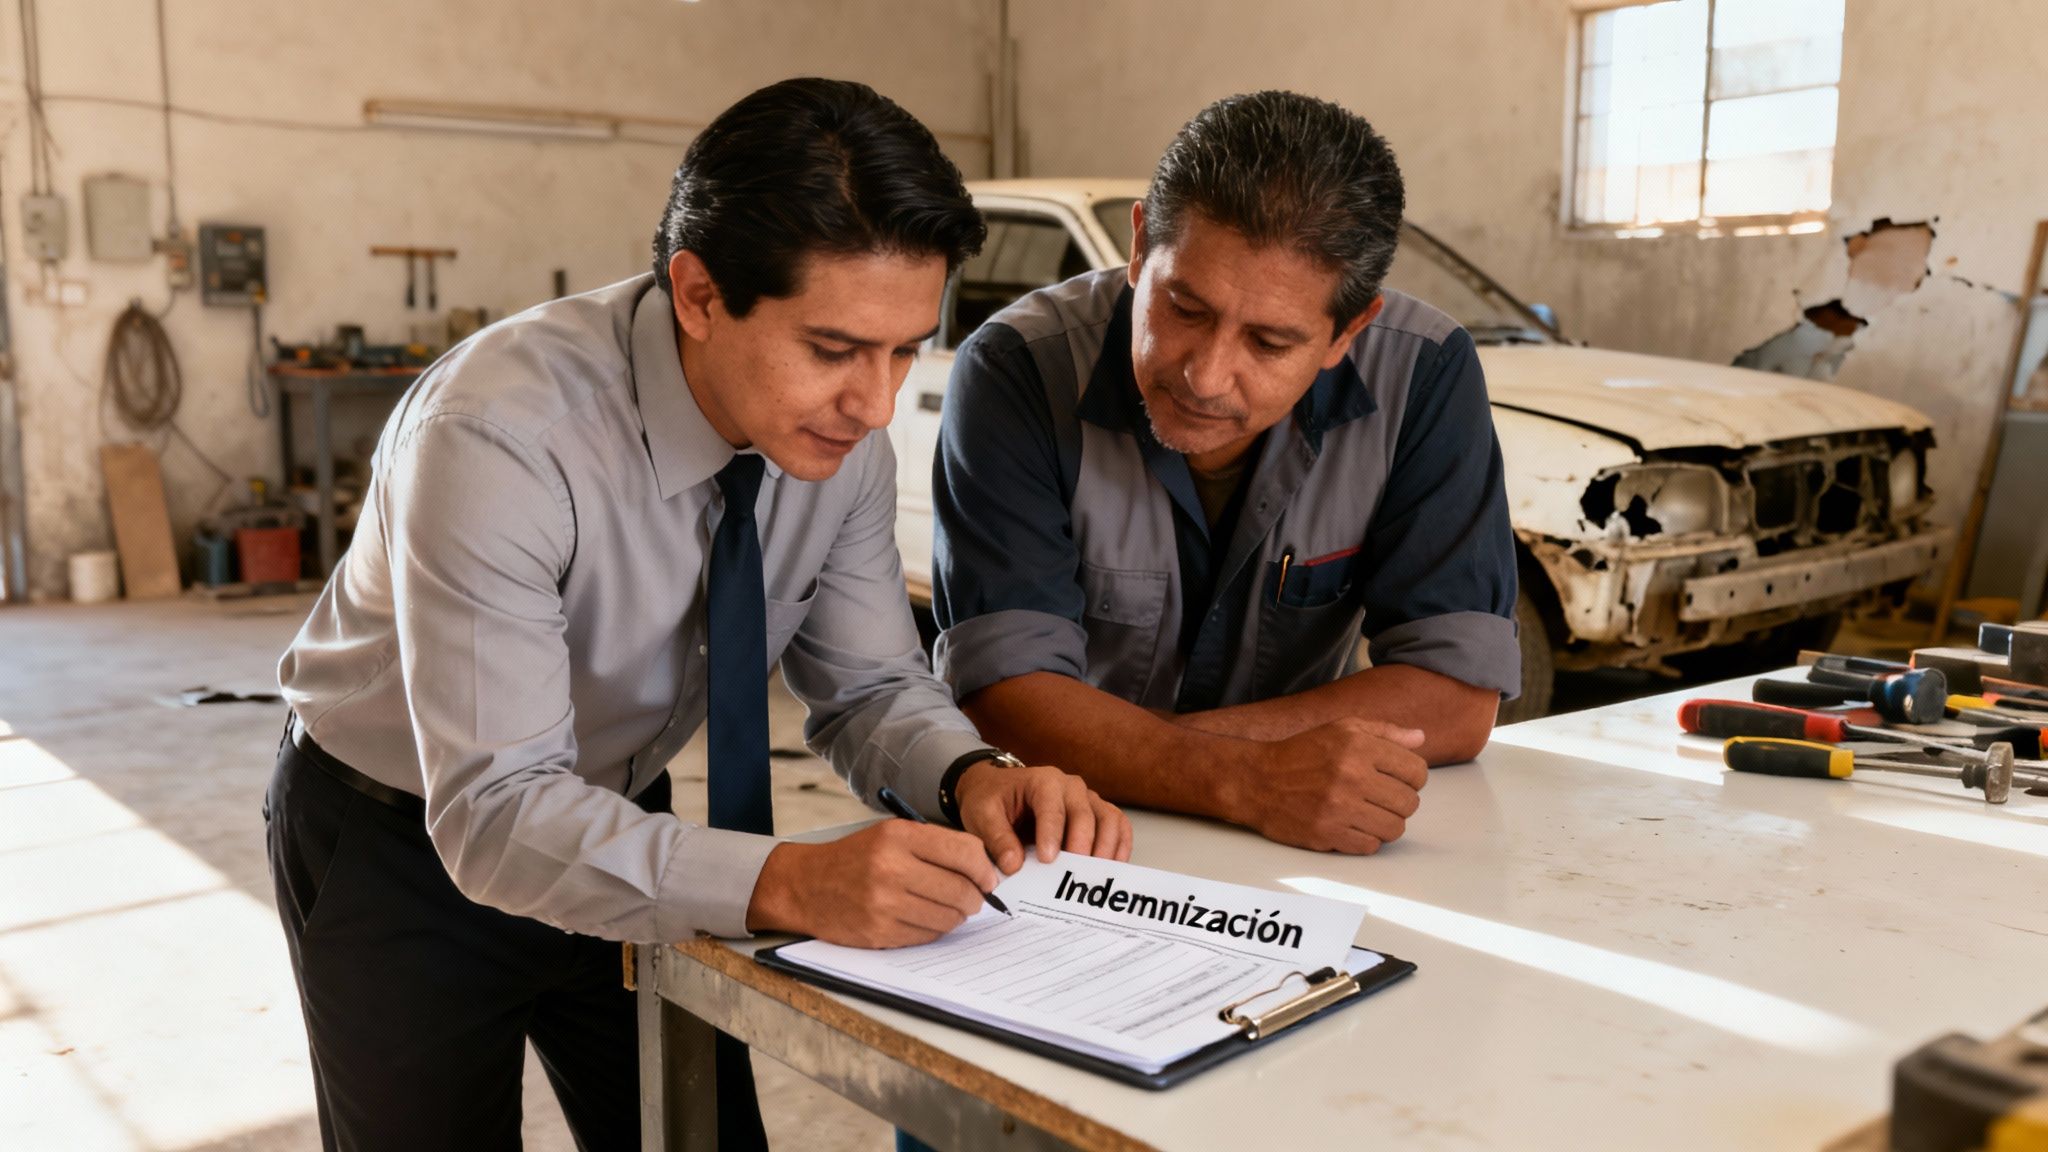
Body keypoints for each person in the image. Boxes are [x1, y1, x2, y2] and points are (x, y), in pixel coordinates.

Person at [265, 77, 1130, 1152]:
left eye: (905, 348)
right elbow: (495, 814)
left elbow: (868, 684)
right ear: (699, 294)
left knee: (699, 1135)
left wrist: (970, 775)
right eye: (833, 349)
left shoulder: (838, 443)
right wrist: (791, 879)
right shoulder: (497, 439)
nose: (875, 404)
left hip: (626, 806)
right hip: (401, 844)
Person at [930, 90, 1518, 857]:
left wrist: (1137, 751)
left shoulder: (1424, 375)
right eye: (1184, 307)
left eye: (1269, 344)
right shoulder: (1017, 370)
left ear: (1349, 331)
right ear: (1140, 246)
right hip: (1065, 845)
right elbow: (1006, 704)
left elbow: (1455, 698)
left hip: (1296, 840)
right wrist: (1246, 778)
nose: (1205, 376)